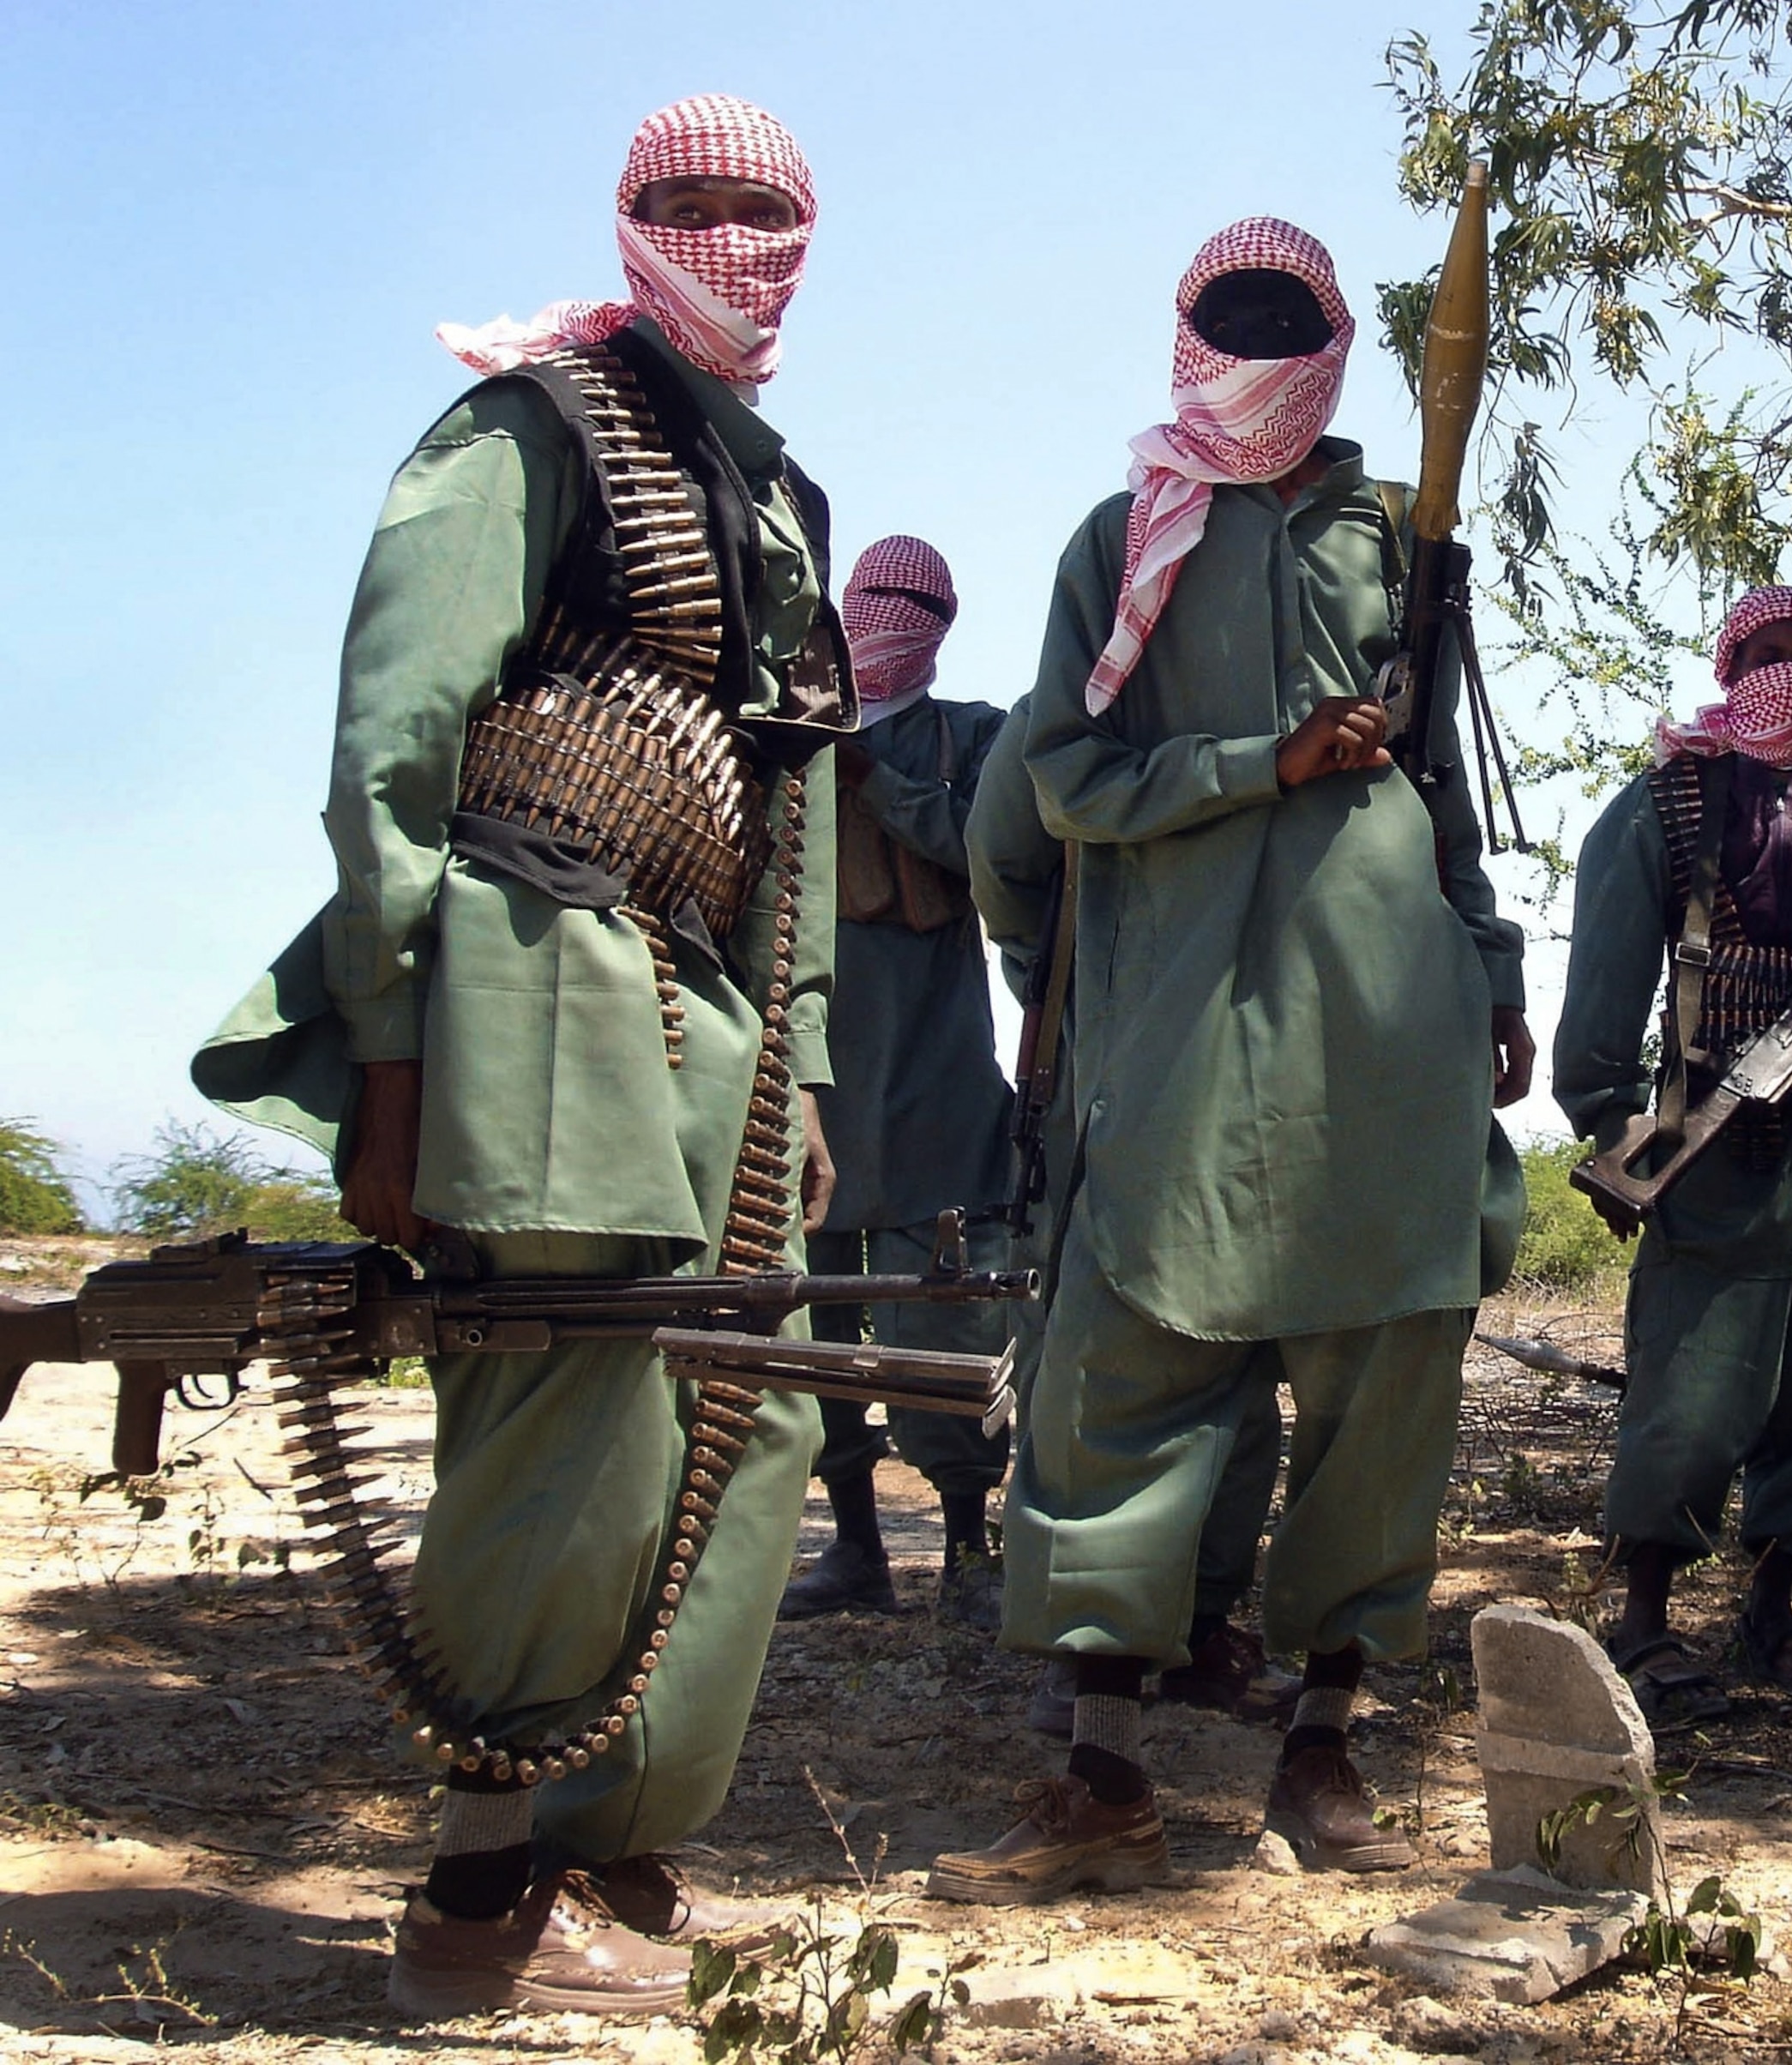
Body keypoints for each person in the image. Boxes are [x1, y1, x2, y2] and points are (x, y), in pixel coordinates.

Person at [192, 95, 851, 2014]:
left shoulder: (772, 490)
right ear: (633, 219)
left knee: (751, 1418)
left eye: (769, 210)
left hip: (706, 992)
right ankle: (479, 1894)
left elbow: (789, 802)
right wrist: (395, 1056)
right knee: (565, 1411)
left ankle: (618, 1854)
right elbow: (394, 738)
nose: (735, 240)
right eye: (696, 206)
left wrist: (797, 1058)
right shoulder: (530, 427)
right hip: (537, 967)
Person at [926, 218, 1532, 1904]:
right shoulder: (1123, 540)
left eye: (1289, 320)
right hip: (1174, 1019)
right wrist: (1259, 761)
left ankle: (1324, 1744)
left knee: (1379, 1368)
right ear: (1183, 336)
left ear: (1337, 344)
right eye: (1227, 318)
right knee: (1121, 1368)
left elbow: (1438, 797)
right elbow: (1060, 777)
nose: (1256, 347)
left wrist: (1488, 964)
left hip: (1382, 1015)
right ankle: (1103, 1774)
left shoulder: (1401, 540)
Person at [1551, 587, 1792, 1726]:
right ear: (1728, 666)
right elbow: (1608, 976)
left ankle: (1775, 1610)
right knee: (1692, 1383)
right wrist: (1612, 1123)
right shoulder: (1667, 802)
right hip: (1711, 1137)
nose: (1788, 675)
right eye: (1765, 655)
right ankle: (1646, 1620)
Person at [962, 700, 1296, 1730]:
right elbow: (1002, 864)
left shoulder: (1301, 718)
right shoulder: (1075, 712)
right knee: (1084, 1358)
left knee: (1239, 1351)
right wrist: (1063, 981)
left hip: (1253, 1064)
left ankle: (1195, 1624)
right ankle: (1083, 1643)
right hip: (1100, 1059)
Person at [776, 536, 1019, 1631]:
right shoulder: (789, 741)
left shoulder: (971, 738)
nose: (886, 619)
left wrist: (875, 775)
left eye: (910, 603)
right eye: (871, 598)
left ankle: (969, 1547)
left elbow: (991, 852)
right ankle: (857, 1546)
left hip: (940, 1085)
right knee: (820, 1332)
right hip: (820, 1085)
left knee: (949, 1329)